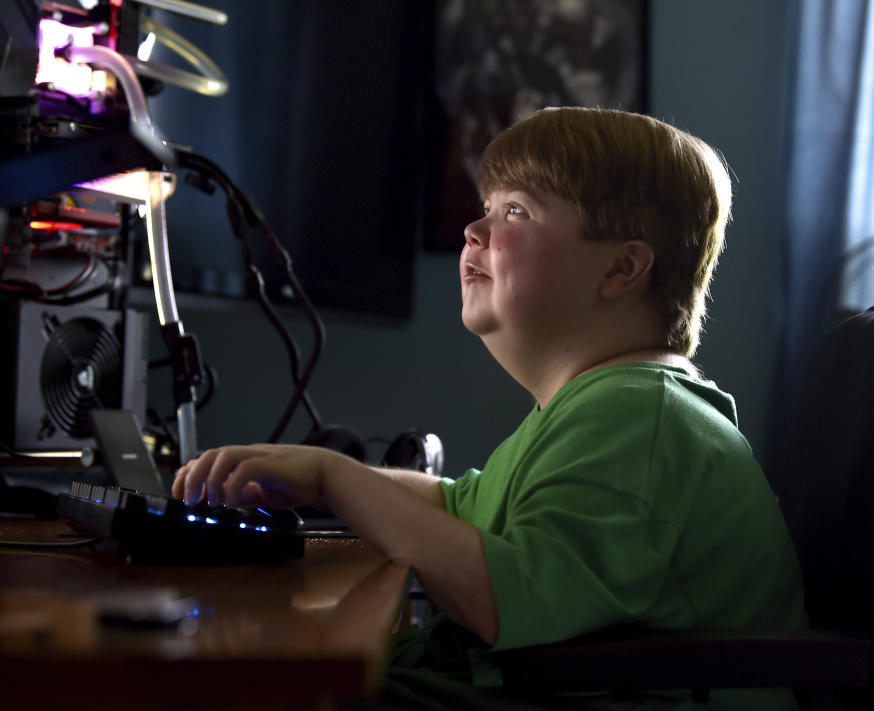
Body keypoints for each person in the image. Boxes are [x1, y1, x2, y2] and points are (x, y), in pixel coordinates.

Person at [173, 107, 807, 710]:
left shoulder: (640, 417)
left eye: (516, 211)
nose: (474, 232)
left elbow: (510, 596)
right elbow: (459, 507)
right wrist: (316, 479)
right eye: (485, 209)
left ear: (621, 268)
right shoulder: (606, 403)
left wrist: (335, 477)